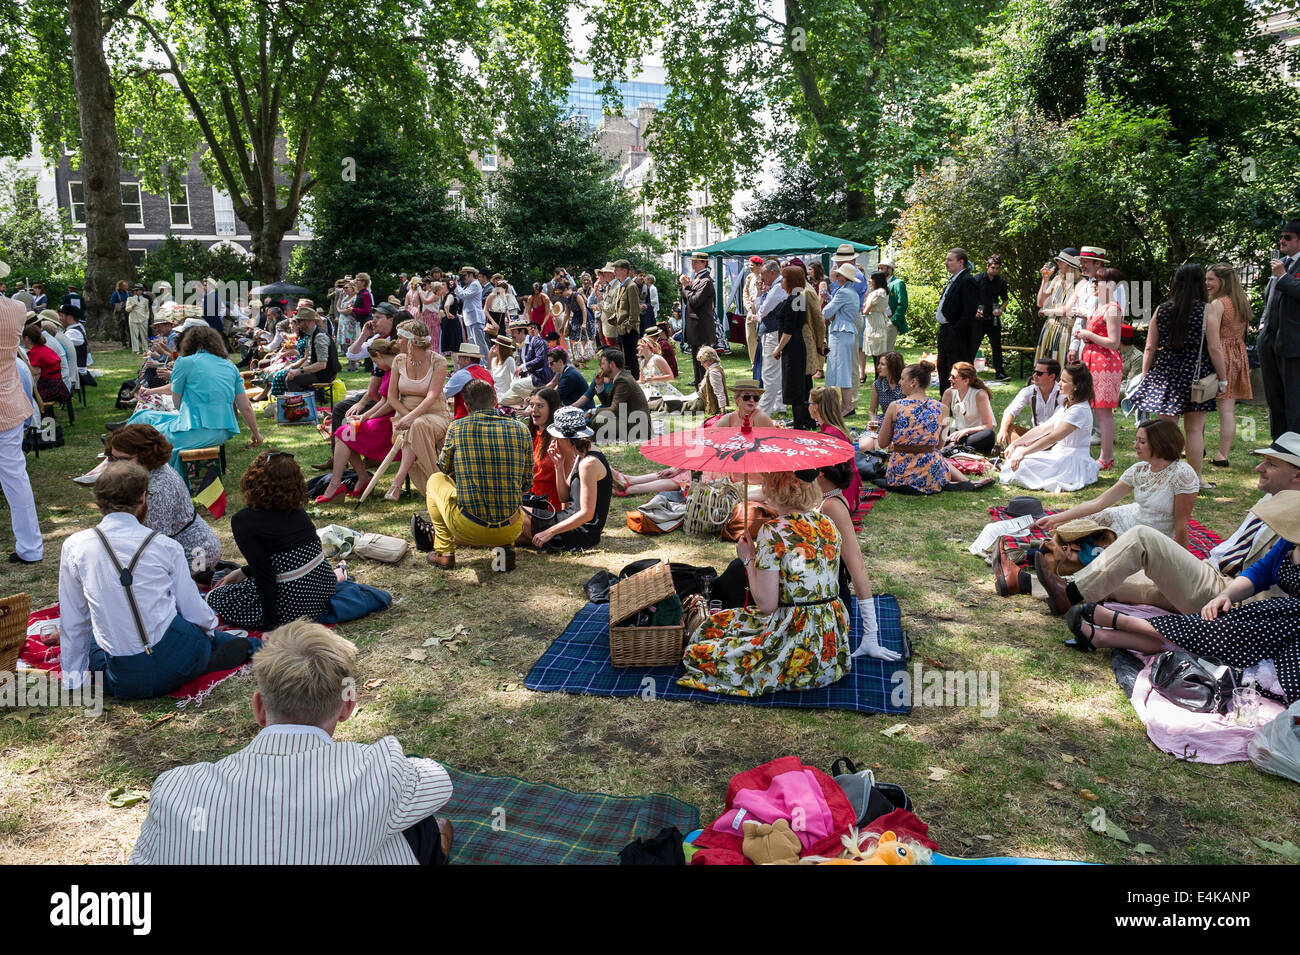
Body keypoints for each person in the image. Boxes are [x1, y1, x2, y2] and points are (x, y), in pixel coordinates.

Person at [130, 619, 454, 864]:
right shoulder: (384, 771)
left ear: (259, 707)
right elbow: (440, 782)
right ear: (347, 707)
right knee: (413, 822)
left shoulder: (174, 789)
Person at [1058, 491, 1300, 706]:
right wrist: (1226, 594)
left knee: (1210, 629)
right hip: (1234, 590)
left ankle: (1115, 624)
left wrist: (1226, 596)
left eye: (1271, 463)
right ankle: (1072, 605)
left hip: (1279, 622)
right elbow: (1260, 572)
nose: (1261, 468)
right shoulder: (1289, 537)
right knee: (1121, 581)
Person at [1038, 432, 1300, 617]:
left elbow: (1276, 580)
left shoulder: (1293, 519)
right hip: (1208, 572)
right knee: (1109, 580)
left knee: (1141, 538)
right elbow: (1101, 501)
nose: (1258, 467)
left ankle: (1067, 596)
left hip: (1226, 592)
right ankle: (1023, 582)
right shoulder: (1271, 498)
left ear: (1297, 475)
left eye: (1271, 464)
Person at [58, 463, 256, 699]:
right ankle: (242, 649)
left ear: (98, 500)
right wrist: (211, 632)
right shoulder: (166, 546)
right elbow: (194, 611)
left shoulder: (74, 546)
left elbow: (73, 620)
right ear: (143, 497)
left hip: (122, 681)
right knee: (191, 625)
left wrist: (73, 679)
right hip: (176, 658)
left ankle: (211, 655)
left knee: (93, 632)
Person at [677, 470, 850, 697]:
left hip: (798, 647)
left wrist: (748, 559)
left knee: (697, 653)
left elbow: (767, 604)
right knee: (719, 622)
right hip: (830, 645)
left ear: (773, 488)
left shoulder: (773, 531)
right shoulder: (827, 524)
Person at [207, 451, 336, 629]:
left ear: (254, 480)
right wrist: (243, 571)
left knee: (216, 596)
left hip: (292, 604)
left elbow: (265, 576)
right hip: (323, 587)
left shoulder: (244, 521)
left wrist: (270, 627)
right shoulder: (297, 511)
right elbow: (283, 557)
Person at [1132, 263, 1227, 489]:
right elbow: (1214, 347)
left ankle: (1162, 477)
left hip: (1165, 373)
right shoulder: (1207, 309)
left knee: (1164, 430)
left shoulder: (1162, 309)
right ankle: (1194, 481)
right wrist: (1222, 379)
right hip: (1197, 372)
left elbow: (1150, 347)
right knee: (1194, 430)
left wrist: (1146, 375)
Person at [1033, 418, 1198, 545]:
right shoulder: (1139, 469)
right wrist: (1054, 518)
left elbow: (1181, 523)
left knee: (1090, 543)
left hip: (1149, 535)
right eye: (1136, 440)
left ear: (1160, 444)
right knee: (1064, 527)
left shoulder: (1182, 474)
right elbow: (1099, 502)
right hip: (1127, 516)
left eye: (1142, 442)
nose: (1135, 446)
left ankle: (1052, 550)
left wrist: (1185, 562)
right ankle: (1047, 547)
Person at [425, 379, 532, 570]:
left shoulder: (457, 427)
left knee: (435, 480)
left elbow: (444, 469)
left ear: (466, 406)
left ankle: (444, 552)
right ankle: (504, 553)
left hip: (469, 527)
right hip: (512, 527)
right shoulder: (522, 430)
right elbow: (526, 485)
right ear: (496, 400)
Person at [128, 326, 263, 476]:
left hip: (196, 429)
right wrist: (256, 434)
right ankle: (120, 454)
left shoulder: (185, 362)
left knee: (144, 434)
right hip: (222, 430)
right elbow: (246, 406)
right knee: (144, 416)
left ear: (189, 343)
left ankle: (124, 464)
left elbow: (177, 401)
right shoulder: (230, 366)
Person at [104, 425, 222, 578]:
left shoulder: (158, 489)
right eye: (114, 459)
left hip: (194, 554)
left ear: (145, 455)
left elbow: (154, 542)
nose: (117, 465)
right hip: (181, 547)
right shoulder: (147, 471)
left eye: (125, 459)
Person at [814, 461, 899, 661]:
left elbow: (857, 567)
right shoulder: (825, 499)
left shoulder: (832, 506)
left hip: (827, 597)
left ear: (820, 474)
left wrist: (870, 634)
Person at [314, 339, 401, 503]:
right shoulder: (389, 369)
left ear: (379, 355)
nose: (376, 366)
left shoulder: (396, 369)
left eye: (375, 362)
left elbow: (390, 403)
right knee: (345, 433)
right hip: (383, 419)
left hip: (391, 424)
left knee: (344, 434)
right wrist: (364, 416)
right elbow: (383, 400)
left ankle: (337, 484)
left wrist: (366, 417)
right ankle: (358, 478)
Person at [518, 407, 613, 552]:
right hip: (570, 520)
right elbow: (564, 497)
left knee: (518, 514)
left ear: (568, 439)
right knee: (512, 531)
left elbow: (587, 514)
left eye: (557, 437)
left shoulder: (589, 463)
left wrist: (549, 532)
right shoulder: (581, 454)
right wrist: (559, 466)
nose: (554, 441)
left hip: (581, 531)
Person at [999, 361, 1098, 492]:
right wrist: (1016, 444)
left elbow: (1053, 437)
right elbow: (1044, 427)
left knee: (1022, 463)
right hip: (1059, 453)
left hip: (1071, 461)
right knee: (1017, 455)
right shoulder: (1069, 404)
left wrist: (1024, 452)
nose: (1060, 384)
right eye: (1060, 380)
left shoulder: (1079, 410)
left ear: (1076, 386)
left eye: (1064, 381)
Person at [383, 320, 451, 496]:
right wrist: (407, 417)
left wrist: (411, 418)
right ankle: (439, 487)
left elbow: (432, 396)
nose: (396, 342)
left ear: (411, 341)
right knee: (417, 426)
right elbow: (391, 397)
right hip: (404, 417)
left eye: (399, 338)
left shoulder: (439, 361)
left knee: (418, 425)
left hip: (436, 415)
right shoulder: (399, 360)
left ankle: (398, 481)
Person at [0, 287, 42, 564]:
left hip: (9, 401)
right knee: (16, 478)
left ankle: (30, 548)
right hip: (9, 400)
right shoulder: (15, 309)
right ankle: (30, 547)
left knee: (15, 477)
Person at [1076, 267, 1124, 469]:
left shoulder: (1112, 308)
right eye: (1093, 282)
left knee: (1103, 412)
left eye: (1098, 282)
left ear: (1111, 285)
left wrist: (1088, 334)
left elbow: (1114, 342)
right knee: (1091, 408)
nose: (1094, 285)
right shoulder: (1100, 306)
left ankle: (1106, 457)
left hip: (1104, 363)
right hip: (1093, 360)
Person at [1206, 262, 1254, 467]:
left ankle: (1197, 446)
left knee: (1199, 408)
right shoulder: (1241, 302)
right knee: (1228, 409)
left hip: (1219, 355)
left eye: (1211, 279)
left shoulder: (1218, 304)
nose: (1206, 283)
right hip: (1238, 354)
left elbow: (1213, 338)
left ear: (1222, 281)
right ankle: (1222, 455)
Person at [1259, 218, 1300, 440]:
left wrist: (1283, 275)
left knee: (1294, 400)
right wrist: (1263, 325)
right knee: (1274, 398)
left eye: (1288, 237)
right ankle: (1278, 446)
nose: (1282, 241)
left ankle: (1294, 451)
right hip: (1270, 340)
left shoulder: (1283, 268)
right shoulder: (1281, 263)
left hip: (1293, 344)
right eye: (1281, 236)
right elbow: (1271, 299)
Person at [808, 385, 860, 515]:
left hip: (839, 492)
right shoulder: (834, 429)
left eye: (809, 403)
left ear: (815, 407)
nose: (807, 406)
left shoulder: (830, 435)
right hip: (847, 487)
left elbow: (824, 473)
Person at [771, 264, 812, 430]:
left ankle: (799, 423)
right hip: (794, 345)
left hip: (793, 346)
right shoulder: (797, 296)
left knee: (795, 385)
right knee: (798, 384)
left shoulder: (796, 298)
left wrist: (778, 349)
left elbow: (789, 329)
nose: (781, 280)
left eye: (784, 278)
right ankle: (801, 421)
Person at [584, 347, 651, 443]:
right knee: (597, 416)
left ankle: (592, 437)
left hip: (637, 428)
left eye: (603, 363)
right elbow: (608, 403)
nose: (601, 367)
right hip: (628, 419)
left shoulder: (622, 381)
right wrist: (600, 385)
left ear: (611, 364)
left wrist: (591, 411)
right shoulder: (620, 376)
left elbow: (614, 410)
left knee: (598, 419)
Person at [936, 248, 980, 387]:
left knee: (954, 371)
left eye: (950, 260)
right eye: (946, 259)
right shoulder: (955, 279)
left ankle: (955, 403)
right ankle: (946, 403)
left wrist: (955, 331)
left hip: (956, 335)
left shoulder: (967, 281)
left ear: (961, 262)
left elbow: (969, 312)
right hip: (946, 331)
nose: (946, 262)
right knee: (943, 369)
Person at [995, 358, 1062, 449]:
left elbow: (1055, 425)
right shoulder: (1029, 391)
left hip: (1055, 438)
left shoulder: (1062, 394)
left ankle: (1022, 451)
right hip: (1035, 435)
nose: (1034, 375)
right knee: (1009, 427)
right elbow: (1010, 410)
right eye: (1034, 371)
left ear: (1052, 377)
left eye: (1039, 373)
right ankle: (1021, 451)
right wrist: (1003, 430)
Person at [1035, 249, 1082, 368]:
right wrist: (1045, 280)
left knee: (1061, 365)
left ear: (1071, 264)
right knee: (1045, 366)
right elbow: (1040, 302)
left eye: (1061, 261)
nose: (1058, 264)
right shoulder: (1057, 280)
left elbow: (1066, 310)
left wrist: (1047, 311)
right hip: (1049, 327)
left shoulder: (1082, 283)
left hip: (1066, 329)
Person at [824, 262, 860, 415]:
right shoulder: (850, 292)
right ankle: (845, 405)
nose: (836, 276)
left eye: (838, 275)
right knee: (840, 368)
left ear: (844, 278)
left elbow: (826, 312)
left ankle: (847, 406)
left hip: (841, 332)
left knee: (842, 370)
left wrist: (829, 302)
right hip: (844, 331)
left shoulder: (843, 293)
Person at [940, 361, 996, 454]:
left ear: (966, 380)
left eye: (953, 377)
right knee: (938, 431)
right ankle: (955, 446)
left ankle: (954, 447)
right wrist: (945, 435)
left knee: (988, 435)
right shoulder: (948, 393)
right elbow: (943, 420)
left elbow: (988, 426)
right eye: (950, 375)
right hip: (957, 433)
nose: (950, 379)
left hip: (976, 435)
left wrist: (966, 431)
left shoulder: (979, 394)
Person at [283, 307, 340, 394]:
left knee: (291, 379)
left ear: (307, 321)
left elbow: (322, 364)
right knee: (287, 374)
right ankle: (305, 399)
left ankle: (302, 404)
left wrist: (299, 371)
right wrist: (296, 369)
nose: (297, 325)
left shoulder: (319, 336)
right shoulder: (310, 335)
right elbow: (309, 360)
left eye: (299, 321)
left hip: (325, 373)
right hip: (319, 371)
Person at [681, 251, 716, 386]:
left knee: (703, 359)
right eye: (692, 261)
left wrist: (686, 287)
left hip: (701, 327)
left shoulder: (706, 281)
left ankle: (704, 385)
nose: (693, 264)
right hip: (694, 326)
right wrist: (687, 288)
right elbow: (687, 300)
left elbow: (695, 301)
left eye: (696, 262)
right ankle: (698, 383)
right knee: (696, 358)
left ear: (704, 263)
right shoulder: (696, 278)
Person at [524, 387, 562, 510]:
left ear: (551, 409)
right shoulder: (528, 433)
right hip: (528, 499)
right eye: (531, 405)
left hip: (549, 505)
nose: (534, 410)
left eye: (540, 406)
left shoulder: (559, 439)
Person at [972, 255, 1009, 380]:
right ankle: (967, 372)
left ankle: (1000, 373)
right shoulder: (976, 279)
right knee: (973, 345)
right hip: (979, 318)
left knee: (997, 346)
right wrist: (974, 310)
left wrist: (1001, 309)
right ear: (987, 266)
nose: (995, 270)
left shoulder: (1001, 281)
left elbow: (1005, 300)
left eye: (997, 268)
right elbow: (968, 297)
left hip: (993, 319)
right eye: (993, 268)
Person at [22, 323, 69, 405]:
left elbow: (34, 379)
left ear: (27, 338)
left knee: (25, 397)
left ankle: (40, 416)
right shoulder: (44, 348)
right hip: (60, 386)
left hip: (51, 389)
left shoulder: (34, 353)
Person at [610, 259, 642, 377]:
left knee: (630, 357)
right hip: (621, 327)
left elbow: (635, 309)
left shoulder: (631, 286)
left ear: (624, 271)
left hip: (629, 329)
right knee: (625, 357)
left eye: (617, 269)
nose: (615, 272)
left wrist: (629, 326)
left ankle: (634, 380)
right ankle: (629, 379)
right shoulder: (621, 285)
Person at [861, 270, 893, 382]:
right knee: (878, 353)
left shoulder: (877, 293)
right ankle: (879, 378)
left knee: (877, 354)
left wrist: (864, 308)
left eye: (871, 278)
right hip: (878, 320)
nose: (869, 281)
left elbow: (866, 310)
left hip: (874, 322)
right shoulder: (884, 291)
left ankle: (879, 378)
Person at [455, 265, 488, 359]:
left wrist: (456, 285)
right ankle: (478, 363)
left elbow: (463, 295)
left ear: (470, 275)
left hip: (476, 318)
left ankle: (486, 364)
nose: (463, 278)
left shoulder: (475, 284)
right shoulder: (469, 285)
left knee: (480, 343)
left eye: (464, 276)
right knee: (473, 343)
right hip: (470, 318)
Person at [683, 345, 727, 416]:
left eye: (703, 361)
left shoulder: (714, 372)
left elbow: (719, 392)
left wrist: (723, 411)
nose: (701, 364)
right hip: (698, 398)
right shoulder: (713, 368)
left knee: (676, 406)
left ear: (711, 359)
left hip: (702, 402)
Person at [742, 255, 763, 364]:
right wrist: (747, 305)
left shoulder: (764, 276)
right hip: (750, 310)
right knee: (750, 337)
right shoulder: (749, 277)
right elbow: (745, 292)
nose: (750, 267)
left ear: (758, 266)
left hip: (761, 312)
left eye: (752, 265)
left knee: (761, 337)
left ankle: (761, 361)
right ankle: (754, 362)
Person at [124, 283, 153, 355]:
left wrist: (146, 318)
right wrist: (132, 306)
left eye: (140, 290)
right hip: (133, 318)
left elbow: (147, 310)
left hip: (143, 319)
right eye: (137, 290)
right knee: (134, 335)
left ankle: (145, 349)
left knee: (144, 335)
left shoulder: (145, 300)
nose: (139, 292)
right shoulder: (130, 299)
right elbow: (127, 309)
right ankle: (136, 349)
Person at [489, 334, 517, 401]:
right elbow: (491, 379)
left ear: (502, 348)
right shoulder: (494, 360)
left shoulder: (510, 360)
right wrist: (489, 357)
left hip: (505, 396)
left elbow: (514, 380)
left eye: (496, 345)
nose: (493, 346)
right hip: (495, 394)